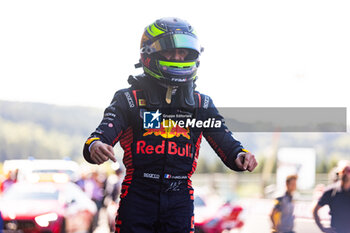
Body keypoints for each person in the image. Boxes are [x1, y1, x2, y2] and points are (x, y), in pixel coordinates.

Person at [83, 17, 258, 233]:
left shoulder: (201, 104)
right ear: (149, 54)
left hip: (179, 200)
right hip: (138, 196)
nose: (178, 57)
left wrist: (241, 155)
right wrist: (95, 146)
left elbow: (227, 143)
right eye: (170, 51)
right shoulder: (128, 99)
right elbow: (99, 136)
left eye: (183, 52)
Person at [313, 165, 350, 233]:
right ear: (339, 173)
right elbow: (315, 210)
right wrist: (322, 228)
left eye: (348, 171)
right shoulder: (331, 191)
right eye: (343, 171)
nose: (346, 174)